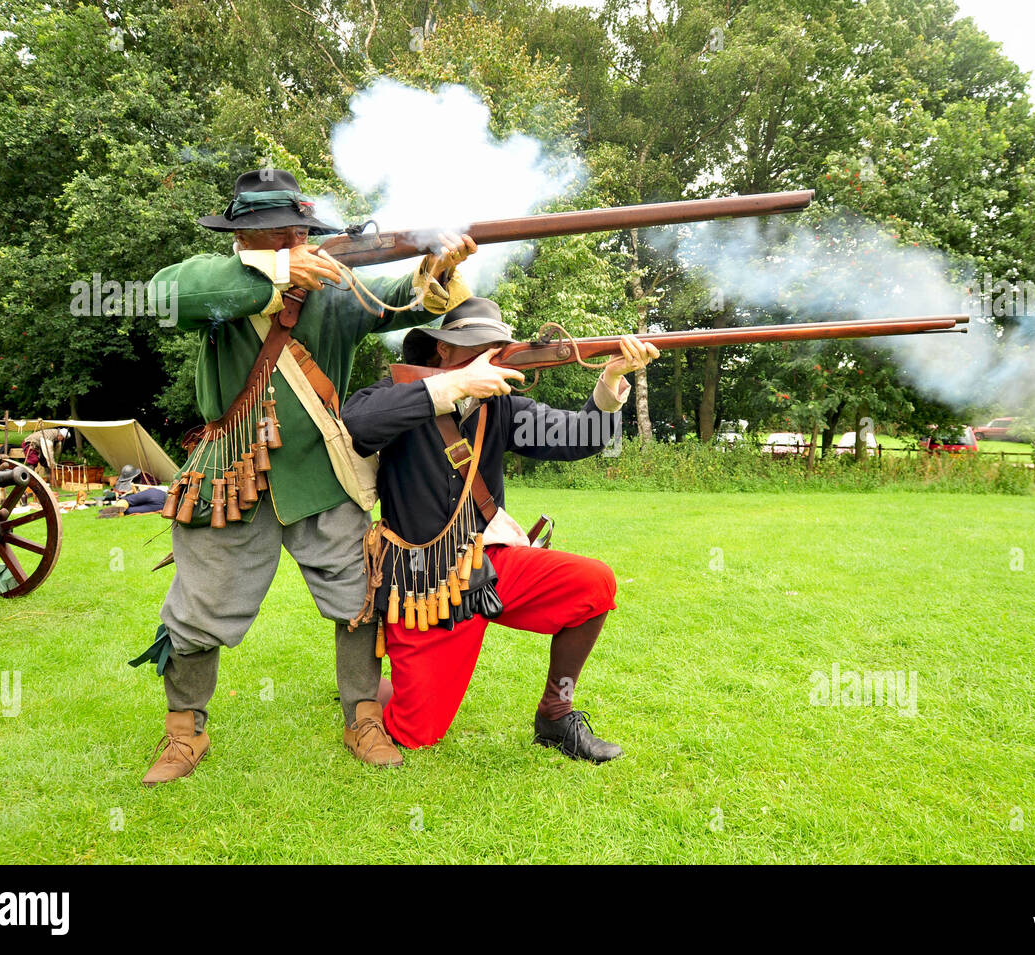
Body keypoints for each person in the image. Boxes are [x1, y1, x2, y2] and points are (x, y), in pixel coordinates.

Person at [128, 168, 475, 785]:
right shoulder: (220, 288)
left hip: (322, 474)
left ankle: (364, 717)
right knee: (195, 613)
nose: (271, 244)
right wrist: (277, 274)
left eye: (283, 235)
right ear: (239, 240)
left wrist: (434, 270)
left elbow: (400, 299)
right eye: (259, 237)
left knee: (359, 603)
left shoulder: (336, 294)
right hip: (228, 476)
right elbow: (162, 294)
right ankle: (184, 733)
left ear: (304, 232)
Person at [341, 297, 659, 762]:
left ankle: (555, 713)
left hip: (490, 568)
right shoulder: (397, 396)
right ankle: (371, 691)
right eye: (470, 348)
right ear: (441, 352)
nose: (483, 357)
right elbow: (358, 423)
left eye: (492, 348)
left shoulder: (503, 408)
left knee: (594, 584)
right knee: (416, 732)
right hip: (423, 586)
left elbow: (582, 437)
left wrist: (610, 380)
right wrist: (449, 388)